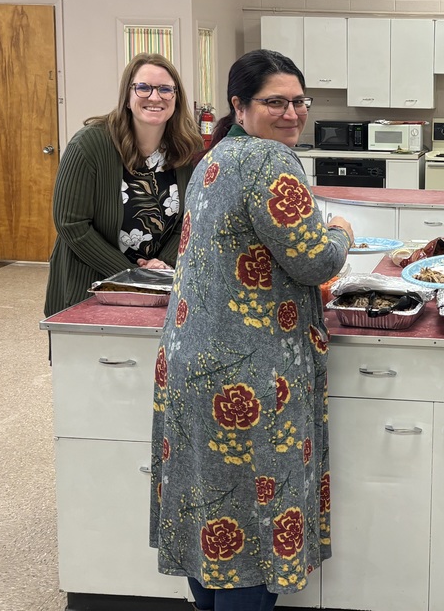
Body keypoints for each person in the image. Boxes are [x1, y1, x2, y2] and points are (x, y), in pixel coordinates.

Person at [149, 49, 354, 611]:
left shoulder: (215, 159)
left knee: (209, 518)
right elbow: (314, 261)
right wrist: (340, 231)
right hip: (247, 375)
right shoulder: (270, 161)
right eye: (275, 102)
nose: (291, 113)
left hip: (191, 363)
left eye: (299, 101)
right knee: (252, 535)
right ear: (240, 105)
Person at [44, 52, 203, 317]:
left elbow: (189, 219)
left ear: (176, 97)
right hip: (89, 284)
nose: (155, 97)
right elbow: (70, 224)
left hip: (157, 286)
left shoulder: (187, 148)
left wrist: (160, 265)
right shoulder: (89, 144)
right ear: (127, 97)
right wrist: (130, 275)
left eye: (165, 89)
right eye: (143, 87)